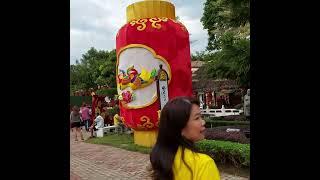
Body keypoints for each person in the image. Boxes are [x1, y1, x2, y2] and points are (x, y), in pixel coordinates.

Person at [150, 96, 220, 180]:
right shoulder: (204, 163)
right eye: (197, 118)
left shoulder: (163, 158)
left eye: (201, 117)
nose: (203, 122)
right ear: (180, 127)